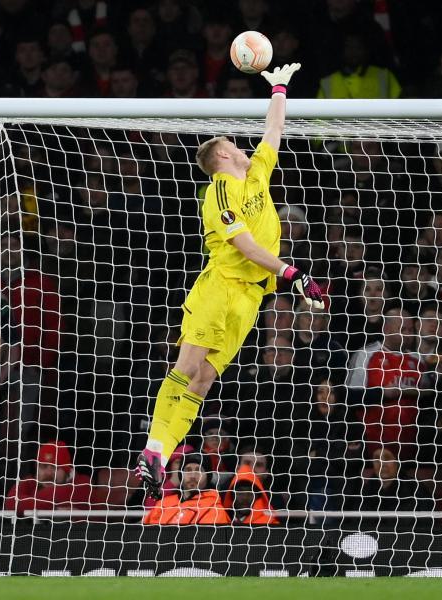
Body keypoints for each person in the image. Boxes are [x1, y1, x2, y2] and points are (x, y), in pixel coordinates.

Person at [135, 62, 324, 499]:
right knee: (186, 367)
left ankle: (162, 455)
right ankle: (153, 448)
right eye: (232, 144)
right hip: (220, 287)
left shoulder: (256, 174)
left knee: (203, 381)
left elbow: (274, 132)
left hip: (250, 299)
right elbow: (239, 243)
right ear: (221, 155)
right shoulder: (220, 187)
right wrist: (289, 271)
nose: (240, 147)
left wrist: (279, 88)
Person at [142, 454, 229, 525]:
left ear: (208, 476)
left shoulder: (215, 510)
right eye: (188, 470)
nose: (193, 476)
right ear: (180, 474)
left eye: (199, 470)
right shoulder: (163, 504)